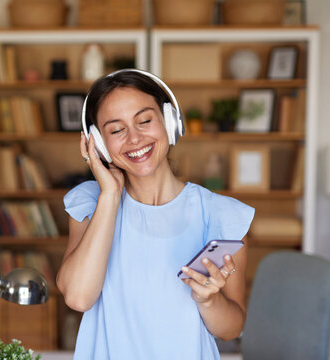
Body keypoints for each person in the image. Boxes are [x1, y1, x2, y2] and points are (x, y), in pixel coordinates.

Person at [56, 69, 255, 359]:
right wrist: (110, 195)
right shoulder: (90, 203)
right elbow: (78, 297)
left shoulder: (222, 215)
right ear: (98, 144)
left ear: (170, 121)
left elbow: (231, 329)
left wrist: (209, 301)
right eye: (116, 130)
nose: (134, 138)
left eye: (145, 121)